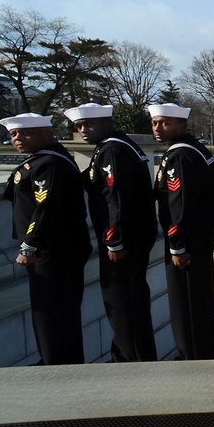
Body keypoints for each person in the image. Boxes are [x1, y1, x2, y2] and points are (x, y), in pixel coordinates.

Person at [65, 103, 158, 362]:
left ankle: (133, 361)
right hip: (129, 239)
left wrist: (115, 241)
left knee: (124, 306)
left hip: (124, 243)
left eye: (89, 124)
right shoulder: (113, 147)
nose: (83, 130)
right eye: (79, 126)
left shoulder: (113, 150)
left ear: (107, 123)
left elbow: (115, 197)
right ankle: (132, 356)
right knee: (125, 305)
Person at [1, 113, 91, 365]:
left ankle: (59, 368)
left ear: (47, 135)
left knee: (54, 316)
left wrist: (30, 245)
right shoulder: (42, 161)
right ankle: (59, 363)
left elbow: (47, 208)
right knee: (52, 315)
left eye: (26, 133)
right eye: (14, 134)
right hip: (52, 250)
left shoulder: (50, 163)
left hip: (53, 251)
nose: (18, 138)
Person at [151, 102, 214, 360]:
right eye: (155, 123)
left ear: (181, 125)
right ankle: (199, 352)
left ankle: (193, 356)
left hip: (188, 242)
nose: (158, 128)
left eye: (165, 123)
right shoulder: (193, 149)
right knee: (198, 301)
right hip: (197, 238)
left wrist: (178, 245)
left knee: (187, 305)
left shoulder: (180, 155)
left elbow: (179, 203)